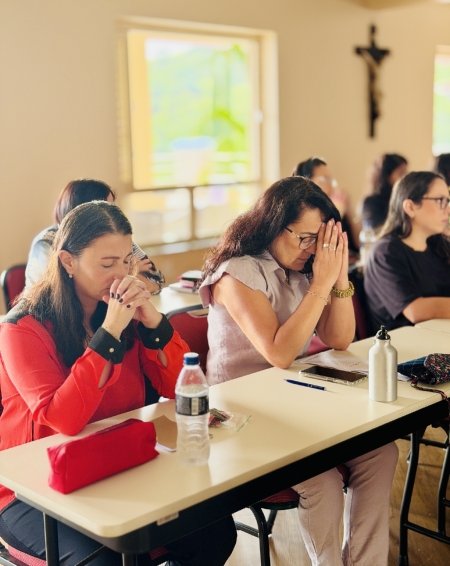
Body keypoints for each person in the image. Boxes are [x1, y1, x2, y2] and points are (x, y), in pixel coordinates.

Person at [0, 202, 236, 566]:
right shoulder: (21, 329)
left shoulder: (123, 312)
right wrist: (109, 332)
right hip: (34, 488)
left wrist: (154, 323)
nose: (121, 275)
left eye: (127, 261)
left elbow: (181, 387)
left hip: (118, 462)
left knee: (215, 532)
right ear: (67, 262)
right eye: (107, 264)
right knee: (108, 560)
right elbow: (64, 420)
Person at [199, 177, 398, 566]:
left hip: (295, 402)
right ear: (273, 225)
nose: (310, 249)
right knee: (323, 480)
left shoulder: (302, 270)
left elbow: (339, 338)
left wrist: (338, 277)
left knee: (381, 453)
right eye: (304, 238)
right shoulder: (235, 273)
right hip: (241, 415)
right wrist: (320, 283)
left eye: (319, 241)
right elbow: (280, 353)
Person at [25, 178, 164, 294]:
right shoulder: (46, 243)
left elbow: (156, 280)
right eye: (107, 264)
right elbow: (59, 294)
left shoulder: (114, 235)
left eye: (126, 262)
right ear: (83, 211)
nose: (113, 214)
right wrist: (132, 274)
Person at [364, 171, 450, 332]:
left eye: (448, 201)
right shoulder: (385, 252)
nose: (447, 210)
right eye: (440, 201)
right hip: (405, 343)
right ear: (410, 207)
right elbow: (415, 311)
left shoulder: (439, 245)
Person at [292, 157, 360, 255]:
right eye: (324, 179)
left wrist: (350, 211)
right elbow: (318, 246)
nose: (331, 186)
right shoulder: (302, 212)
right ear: (306, 181)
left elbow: (359, 243)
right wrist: (336, 213)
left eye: (331, 180)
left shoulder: (335, 204)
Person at [360, 153, 408, 231]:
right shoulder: (371, 203)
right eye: (401, 173)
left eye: (406, 173)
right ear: (387, 175)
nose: (405, 177)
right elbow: (378, 231)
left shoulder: (404, 198)